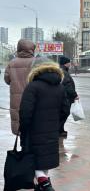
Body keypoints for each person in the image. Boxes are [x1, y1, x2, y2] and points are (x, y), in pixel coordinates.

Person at [19, 58, 68, 191]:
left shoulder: (33, 87)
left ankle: (46, 185)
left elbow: (25, 112)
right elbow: (65, 110)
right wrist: (56, 124)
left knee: (34, 162)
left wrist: (23, 129)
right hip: (51, 132)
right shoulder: (60, 87)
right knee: (44, 162)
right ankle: (42, 184)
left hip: (33, 132)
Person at [3, 39, 36, 135]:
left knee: (19, 122)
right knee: (32, 122)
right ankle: (28, 146)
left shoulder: (12, 63)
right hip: (33, 97)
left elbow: (7, 80)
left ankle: (23, 145)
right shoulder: (36, 62)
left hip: (16, 99)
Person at [59, 56, 78, 137]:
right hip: (66, 98)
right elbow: (68, 86)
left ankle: (60, 130)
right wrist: (75, 95)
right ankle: (59, 131)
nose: (70, 64)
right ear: (66, 63)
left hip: (64, 97)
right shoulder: (64, 72)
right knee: (64, 113)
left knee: (62, 114)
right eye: (69, 62)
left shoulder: (62, 71)